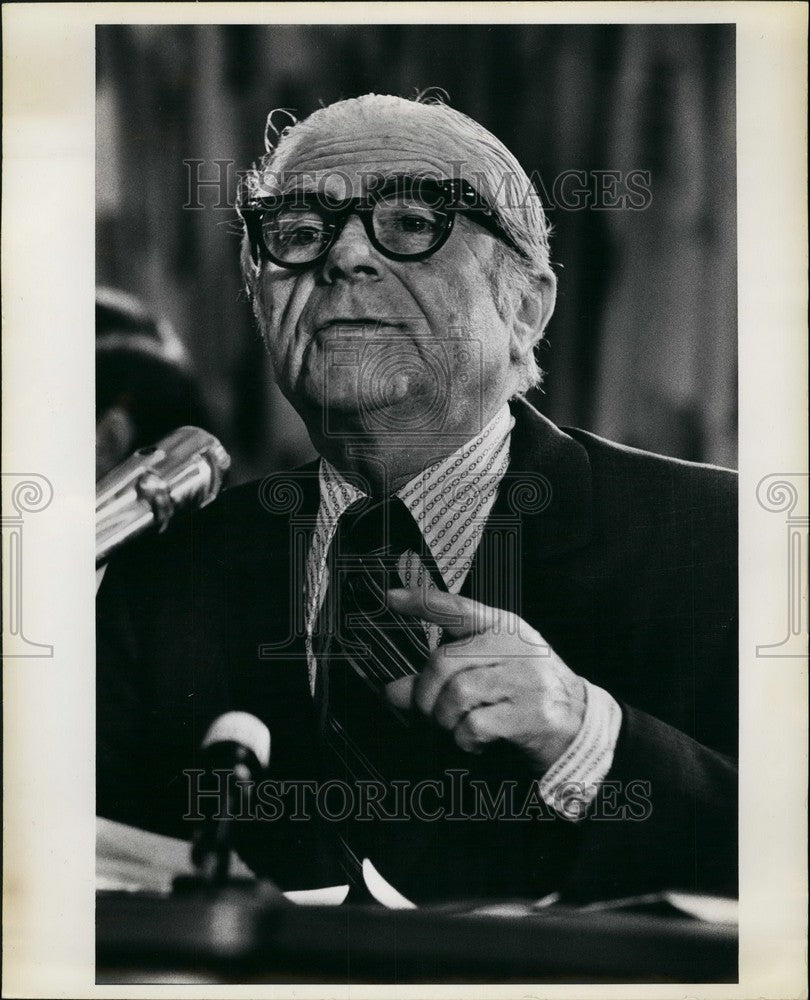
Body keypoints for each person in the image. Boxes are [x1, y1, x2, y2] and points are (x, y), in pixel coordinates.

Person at [97, 94, 737, 904]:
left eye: (409, 223)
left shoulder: (721, 541)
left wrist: (588, 735)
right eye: (298, 234)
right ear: (261, 305)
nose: (344, 259)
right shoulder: (161, 575)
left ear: (525, 308)